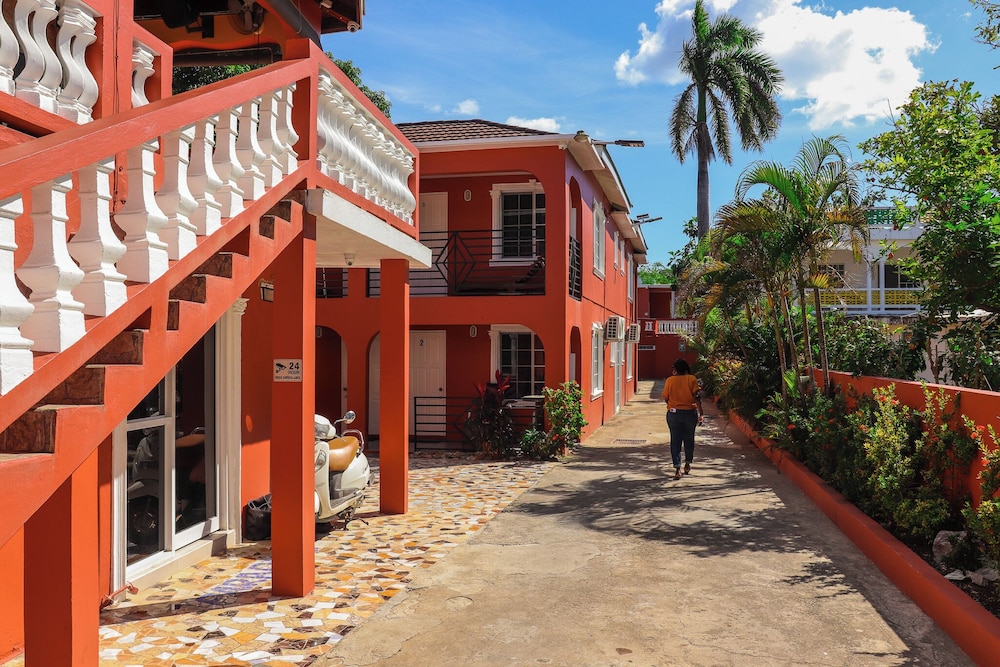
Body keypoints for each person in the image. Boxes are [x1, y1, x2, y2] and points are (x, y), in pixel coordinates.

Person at [661, 358, 704, 479]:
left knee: (675, 440)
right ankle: (688, 464)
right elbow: (697, 397)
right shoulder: (691, 379)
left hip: (673, 414)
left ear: (675, 369)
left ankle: (677, 470)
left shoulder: (670, 380)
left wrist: (672, 405)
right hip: (690, 413)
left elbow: (665, 397)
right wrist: (701, 413)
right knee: (689, 439)